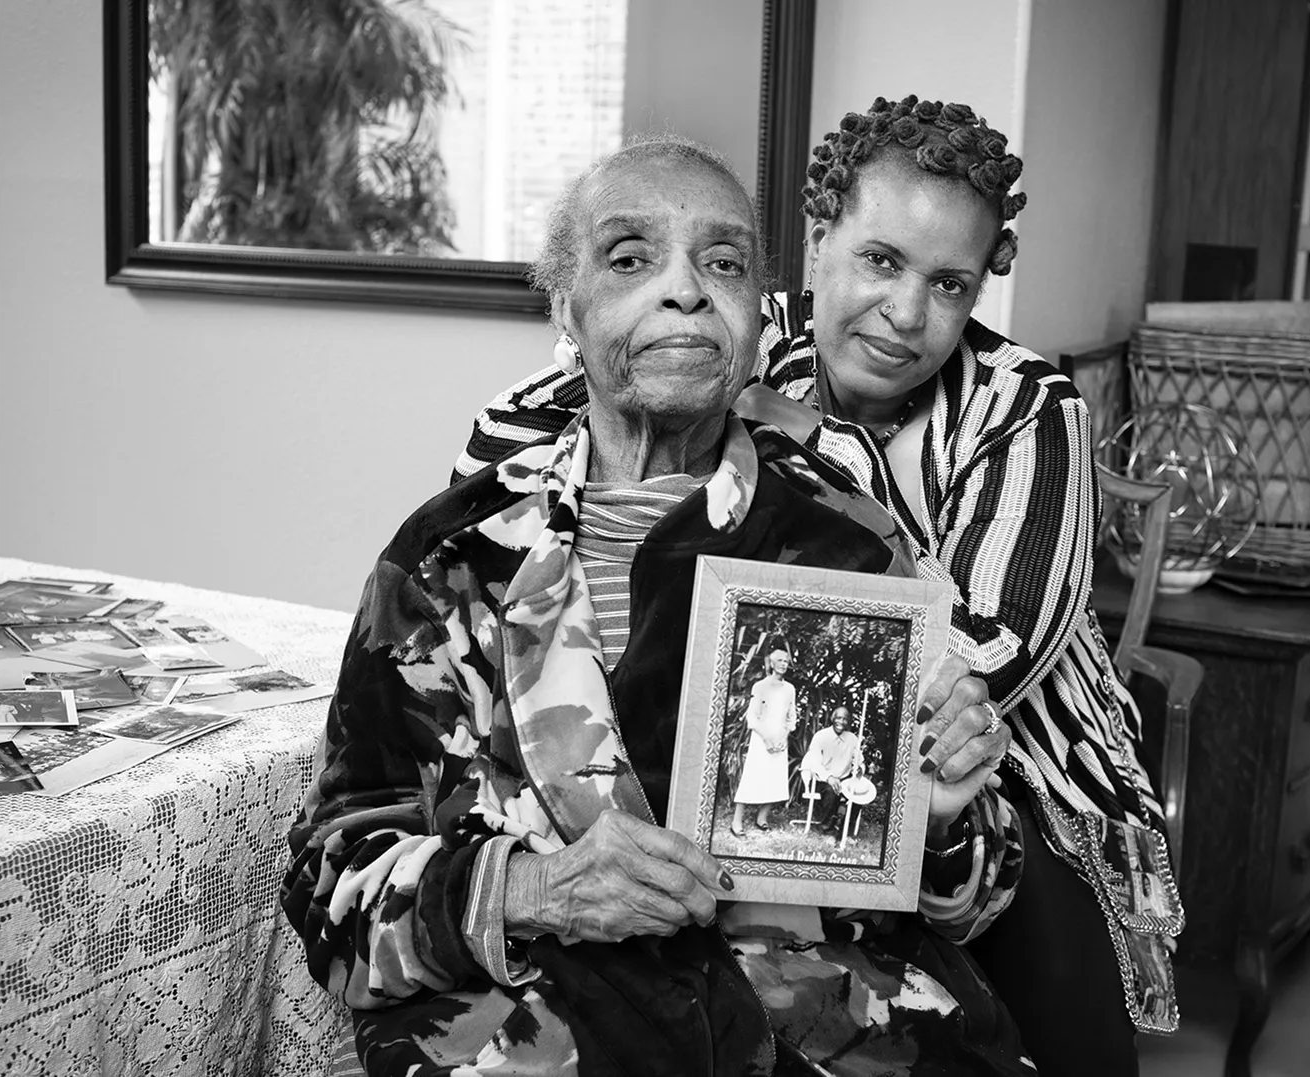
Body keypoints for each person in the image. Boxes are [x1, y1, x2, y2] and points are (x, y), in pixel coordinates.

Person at [451, 97, 1178, 1070]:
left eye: (948, 284)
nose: (907, 313)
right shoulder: (744, 332)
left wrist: (805, 458)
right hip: (741, 740)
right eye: (879, 260)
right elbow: (541, 413)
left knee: (1034, 991)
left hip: (991, 759)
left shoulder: (1025, 410)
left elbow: (975, 656)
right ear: (818, 235)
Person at [284, 135, 1035, 1077]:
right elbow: (329, 889)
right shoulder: (451, 559)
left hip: (834, 1031)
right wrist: (535, 889)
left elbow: (978, 899)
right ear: (566, 302)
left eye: (722, 263)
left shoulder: (848, 545)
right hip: (548, 1029)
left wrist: (945, 816)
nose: (685, 289)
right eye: (631, 257)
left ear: (760, 318)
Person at [730, 647, 798, 834]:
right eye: (780, 661)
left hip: (780, 742)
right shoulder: (760, 687)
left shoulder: (790, 689)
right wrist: (767, 739)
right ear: (772, 663)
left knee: (775, 779)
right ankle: (737, 821)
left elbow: (791, 718)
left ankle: (762, 817)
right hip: (761, 740)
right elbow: (752, 718)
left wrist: (784, 738)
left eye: (786, 661)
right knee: (751, 777)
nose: (784, 664)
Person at [799, 705, 863, 832]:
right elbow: (814, 763)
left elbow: (860, 761)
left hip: (844, 779)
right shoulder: (821, 736)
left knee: (859, 793)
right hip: (821, 779)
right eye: (838, 718)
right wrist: (829, 777)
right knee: (831, 790)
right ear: (833, 719)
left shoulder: (852, 739)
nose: (841, 722)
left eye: (845, 719)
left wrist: (861, 768)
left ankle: (845, 828)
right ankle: (827, 827)